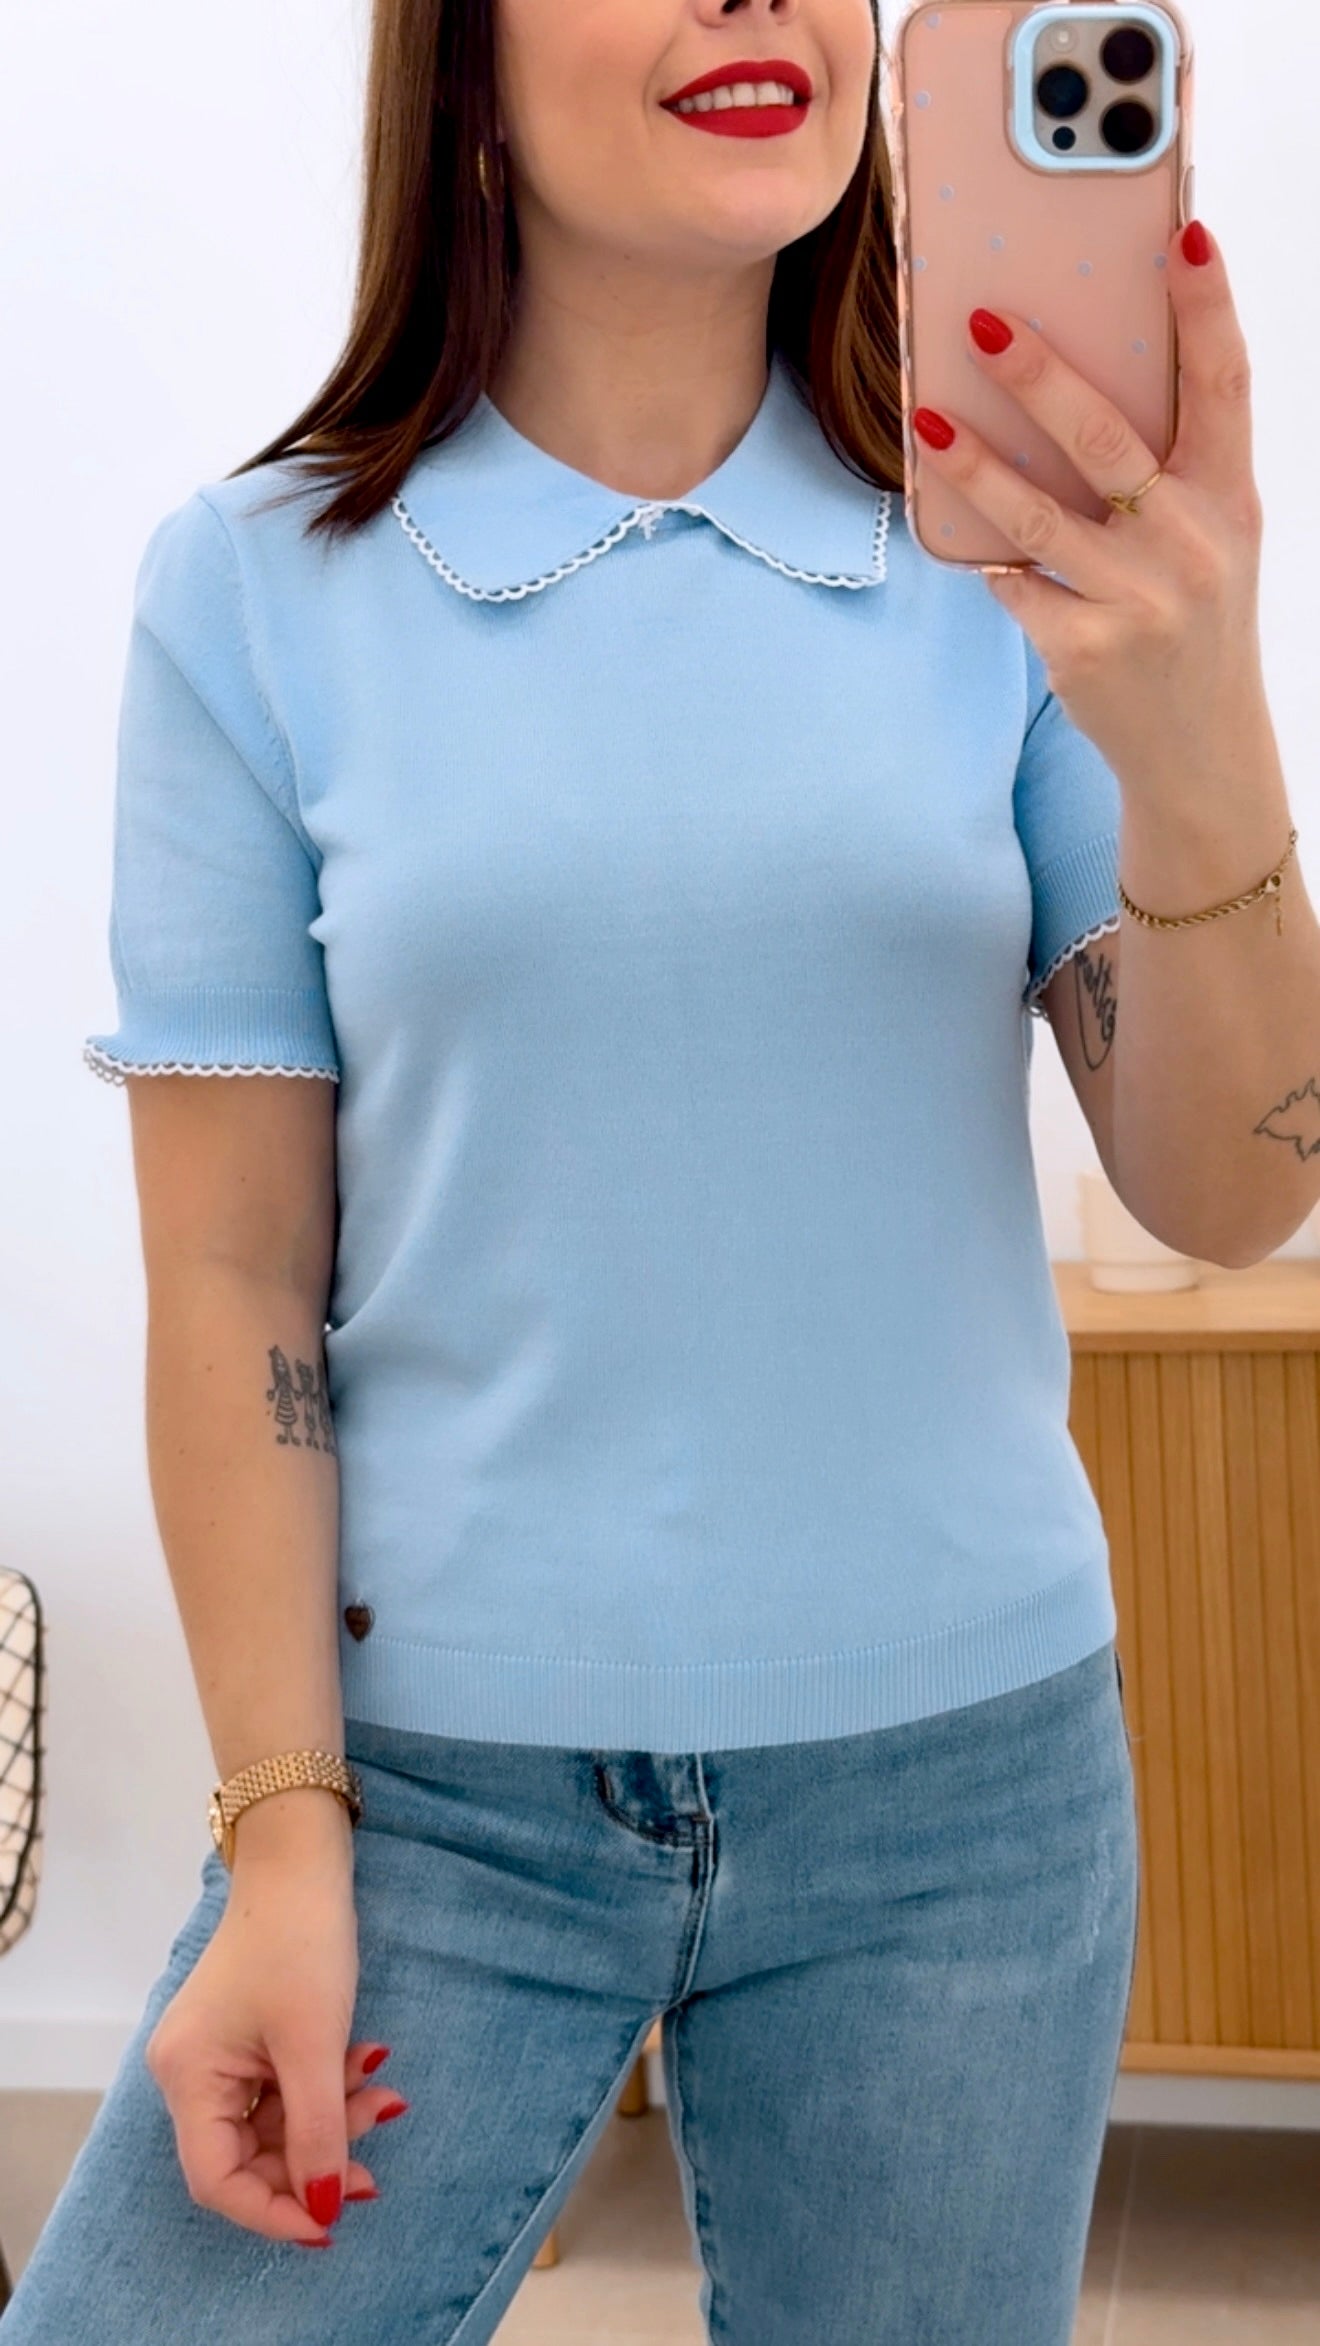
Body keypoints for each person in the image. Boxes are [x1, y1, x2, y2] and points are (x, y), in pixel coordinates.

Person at [6, 2, 1144, 2339]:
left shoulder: (1013, 564)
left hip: (963, 1800)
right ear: (462, 65)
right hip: (426, 1789)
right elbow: (233, 1278)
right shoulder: (252, 589)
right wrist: (282, 1841)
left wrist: (1199, 683)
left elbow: (1233, 1181)